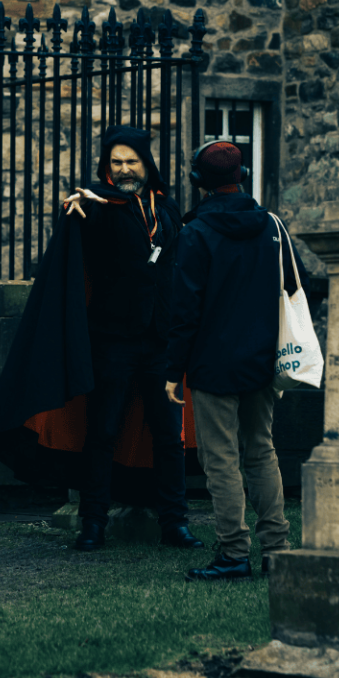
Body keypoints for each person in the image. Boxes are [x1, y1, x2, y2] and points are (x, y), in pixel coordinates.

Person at [56, 127, 202, 552]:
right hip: (112, 340)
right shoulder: (99, 207)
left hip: (161, 343)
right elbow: (79, 226)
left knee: (167, 437)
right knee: (101, 432)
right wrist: (78, 205)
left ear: (145, 163)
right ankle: (93, 524)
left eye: (131, 161)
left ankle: (175, 524)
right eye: (116, 162)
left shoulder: (168, 208)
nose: (123, 170)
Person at [163, 141, 294, 581]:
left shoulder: (195, 233)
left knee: (220, 459)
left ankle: (234, 551)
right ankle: (277, 548)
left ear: (198, 182)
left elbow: (184, 311)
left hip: (212, 361)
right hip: (262, 358)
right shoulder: (272, 226)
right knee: (261, 451)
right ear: (242, 176)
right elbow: (294, 287)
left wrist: (172, 371)